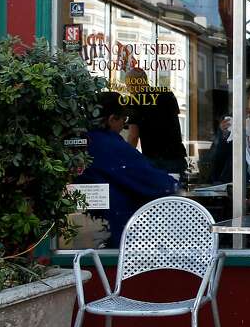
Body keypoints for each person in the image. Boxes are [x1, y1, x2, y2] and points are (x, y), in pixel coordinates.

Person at [77, 92, 179, 247]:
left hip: (90, 229)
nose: (124, 125)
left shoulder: (83, 142)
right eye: (123, 120)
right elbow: (156, 182)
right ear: (112, 119)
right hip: (120, 233)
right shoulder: (110, 146)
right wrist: (177, 185)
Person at [124, 67, 188, 180]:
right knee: (176, 195)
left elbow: (133, 136)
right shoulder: (168, 95)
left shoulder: (136, 101)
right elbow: (174, 122)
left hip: (154, 159)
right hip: (176, 156)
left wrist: (127, 159)